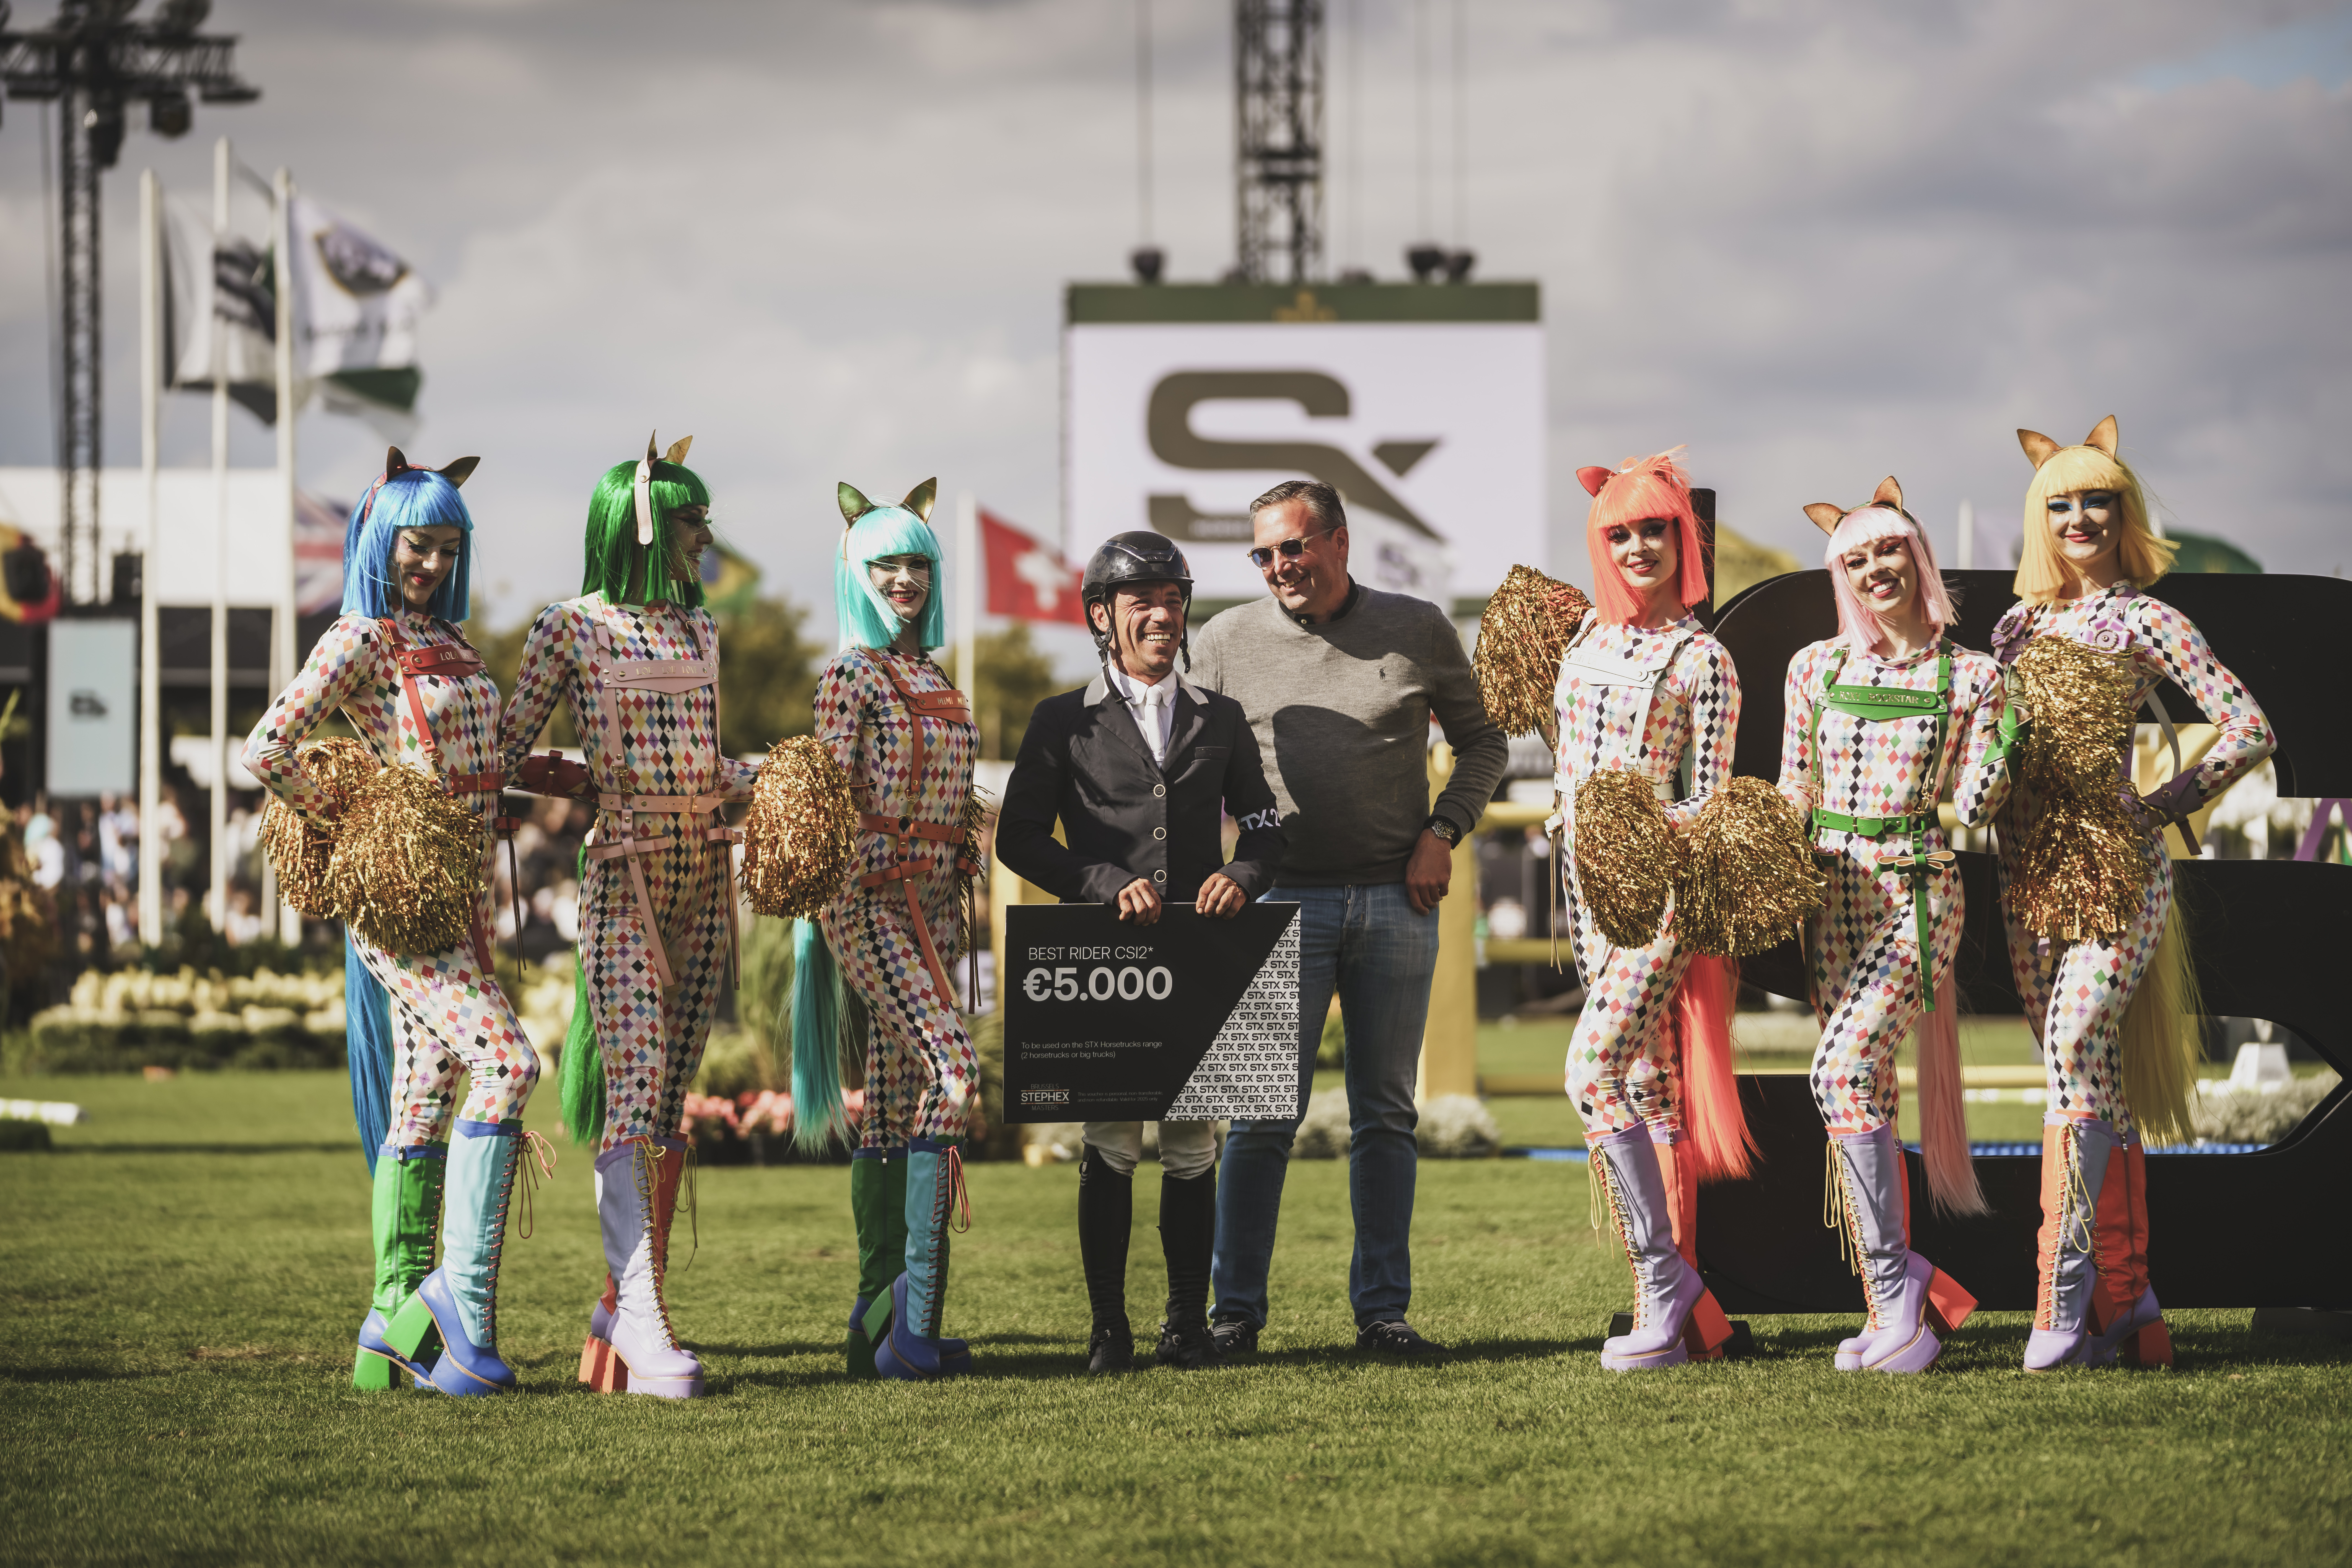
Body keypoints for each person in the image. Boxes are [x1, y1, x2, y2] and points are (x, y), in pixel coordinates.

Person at [242, 447, 545, 1396]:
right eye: (420, 545)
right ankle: (458, 1311)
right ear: (382, 539)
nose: (433, 564)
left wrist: (538, 782)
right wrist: (362, 816)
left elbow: (479, 758)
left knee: (427, 1085)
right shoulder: (359, 636)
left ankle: (389, 1315)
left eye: (449, 548)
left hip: (460, 892)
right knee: (509, 1063)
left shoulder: (452, 644)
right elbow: (268, 746)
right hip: (401, 900)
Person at [1187, 479, 1508, 1358]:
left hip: (1395, 900)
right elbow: (1178, 760)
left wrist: (1444, 829)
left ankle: (1383, 1313)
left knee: (1384, 1115)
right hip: (1273, 905)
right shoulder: (1220, 640)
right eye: (1262, 553)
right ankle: (1234, 1315)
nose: (1278, 567)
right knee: (1256, 1116)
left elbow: (1483, 741)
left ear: (1338, 542)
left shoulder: (1418, 627)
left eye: (1292, 547)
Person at [1992, 418, 2273, 1372]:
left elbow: (2246, 728)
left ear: (2124, 513)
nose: (2078, 517)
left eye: (2096, 500)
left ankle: (2056, 1313)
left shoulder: (2149, 619)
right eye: (2059, 502)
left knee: (2072, 1049)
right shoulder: (2015, 626)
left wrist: (2158, 808)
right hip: (2023, 871)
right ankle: (2128, 1301)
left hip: (2117, 865)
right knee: (2084, 1079)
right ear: (2038, 515)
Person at [500, 435, 759, 1399]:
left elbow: (708, 766)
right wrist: (555, 775)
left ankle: (627, 1301)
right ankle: (640, 1315)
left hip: (707, 874)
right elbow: (506, 745)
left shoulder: (701, 633)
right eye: (692, 520)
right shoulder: (566, 628)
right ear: (644, 526)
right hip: (625, 875)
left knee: (667, 1099)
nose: (704, 537)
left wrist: (781, 777)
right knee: (641, 1084)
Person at [996, 530, 1286, 1373]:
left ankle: (1184, 1325)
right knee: (1113, 1142)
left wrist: (1242, 871)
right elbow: (1019, 838)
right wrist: (1096, 879)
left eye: (1172, 599)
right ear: (1101, 616)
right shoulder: (1060, 719)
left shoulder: (1221, 718)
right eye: (1142, 602)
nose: (1163, 614)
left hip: (1200, 951)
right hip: (1105, 956)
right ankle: (1106, 1328)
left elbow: (1265, 829)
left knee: (1194, 1143)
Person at [1777, 477, 2016, 1373]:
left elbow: (1975, 801)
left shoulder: (1974, 675)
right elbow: (1795, 782)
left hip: (1916, 890)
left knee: (1837, 1073)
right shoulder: (1814, 666)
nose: (1874, 568)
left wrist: (2001, 753)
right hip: (1825, 892)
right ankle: (1893, 1307)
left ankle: (1904, 1289)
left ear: (1919, 558)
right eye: (1855, 558)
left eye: (1888, 551)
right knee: (1865, 1091)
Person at [1545, 449, 1747, 1371]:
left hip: (1659, 892)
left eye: (1654, 530)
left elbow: (1707, 800)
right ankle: (1673, 1306)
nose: (1636, 546)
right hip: (1582, 890)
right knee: (1644, 1085)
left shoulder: (1704, 658)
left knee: (1588, 1069)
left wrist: (1641, 845)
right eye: (1618, 531)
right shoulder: (1580, 640)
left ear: (1683, 540)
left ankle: (1666, 1286)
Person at [786, 478, 985, 1383]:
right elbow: (822, 794)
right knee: (953, 1068)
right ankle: (916, 1317)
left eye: (916, 563)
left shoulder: (937, 677)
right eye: (886, 565)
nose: (904, 579)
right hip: (869, 899)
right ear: (853, 573)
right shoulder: (848, 675)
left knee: (901, 1100)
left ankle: (879, 1309)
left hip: (937, 901)